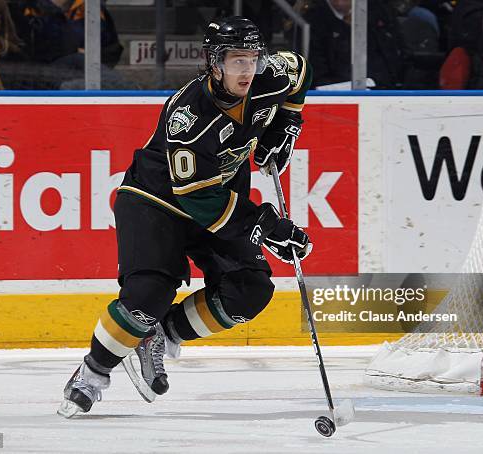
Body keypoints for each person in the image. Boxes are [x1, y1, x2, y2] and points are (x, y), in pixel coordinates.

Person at [57, 16, 313, 418]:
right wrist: (266, 225)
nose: (247, 70)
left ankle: (161, 333)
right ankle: (92, 373)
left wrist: (286, 122)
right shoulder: (190, 116)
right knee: (147, 298)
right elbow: (201, 201)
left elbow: (299, 69)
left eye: (252, 59)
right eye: (236, 60)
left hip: (214, 197)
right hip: (155, 200)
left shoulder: (270, 78)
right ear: (214, 62)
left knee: (250, 290)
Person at [303, 0, 405, 89]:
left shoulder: (381, 13)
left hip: (385, 92)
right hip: (333, 96)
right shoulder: (311, 21)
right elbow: (315, 71)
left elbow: (398, 54)